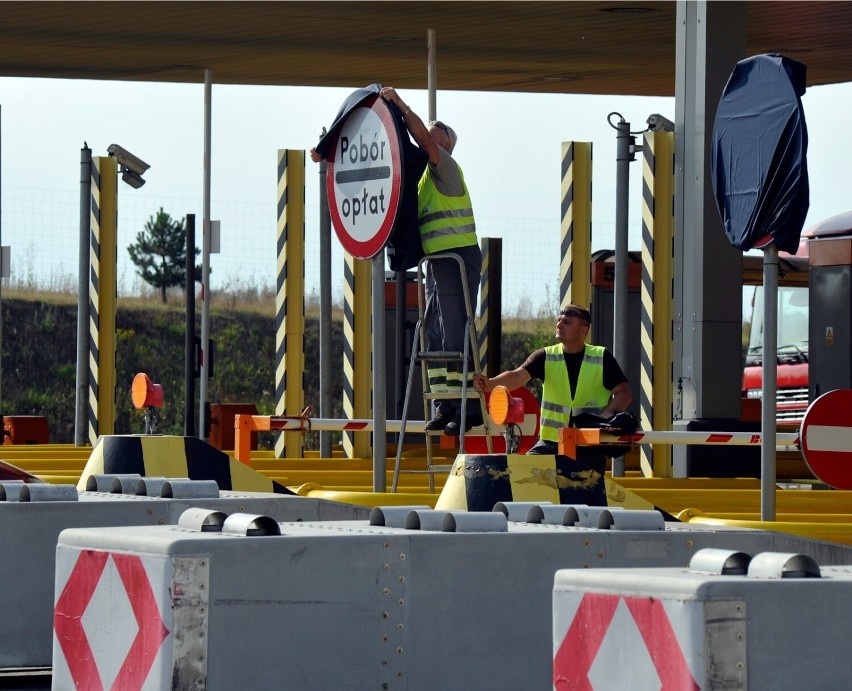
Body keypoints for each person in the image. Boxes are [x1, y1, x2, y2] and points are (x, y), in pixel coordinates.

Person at [473, 304, 632, 505]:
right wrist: (490, 383)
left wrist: (607, 416)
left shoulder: (601, 357)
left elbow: (624, 393)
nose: (559, 324)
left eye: (567, 322)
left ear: (583, 330)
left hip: (588, 447)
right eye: (559, 320)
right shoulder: (546, 356)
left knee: (588, 505)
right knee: (519, 479)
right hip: (550, 444)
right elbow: (517, 376)